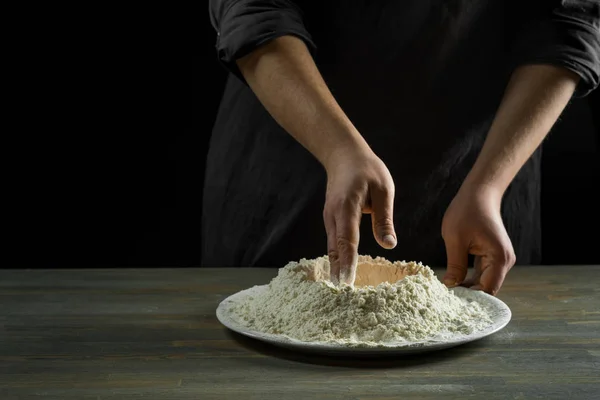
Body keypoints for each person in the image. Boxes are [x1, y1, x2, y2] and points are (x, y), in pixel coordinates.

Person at [202, 0, 600, 295]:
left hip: (480, 183)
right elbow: (254, 9)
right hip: (290, 173)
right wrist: (338, 149)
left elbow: (568, 20)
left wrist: (489, 185)